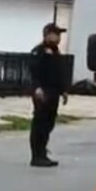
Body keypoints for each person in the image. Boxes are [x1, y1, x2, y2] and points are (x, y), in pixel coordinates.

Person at [29, 23, 68, 168]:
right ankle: (36, 156)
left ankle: (43, 152)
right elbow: (34, 72)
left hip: (54, 93)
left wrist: (63, 91)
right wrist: (37, 88)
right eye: (56, 34)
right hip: (42, 92)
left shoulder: (56, 52)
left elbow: (59, 73)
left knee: (49, 124)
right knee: (40, 123)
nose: (59, 38)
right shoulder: (38, 51)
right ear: (47, 34)